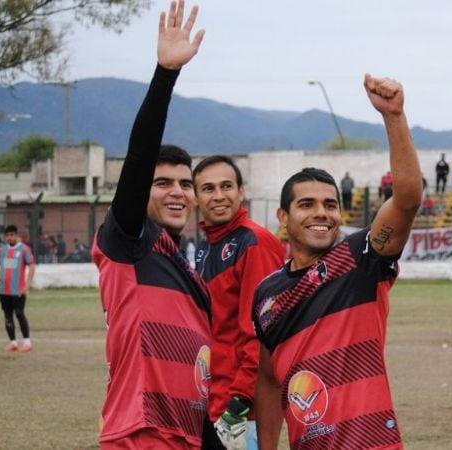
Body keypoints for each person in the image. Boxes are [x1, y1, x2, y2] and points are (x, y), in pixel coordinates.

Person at [253, 74, 422, 449]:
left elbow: (407, 199)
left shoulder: (362, 259)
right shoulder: (267, 294)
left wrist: (394, 117)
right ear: (283, 217)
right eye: (307, 204)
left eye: (330, 205)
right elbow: (267, 378)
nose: (322, 213)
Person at [91, 3, 211, 448]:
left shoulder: (191, 277)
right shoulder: (129, 244)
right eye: (162, 183)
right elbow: (139, 157)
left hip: (185, 435)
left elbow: (196, 389)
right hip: (141, 434)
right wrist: (165, 76)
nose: (177, 191)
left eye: (185, 183)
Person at [192, 155, 285, 450]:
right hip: (213, 403)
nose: (218, 196)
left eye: (226, 186)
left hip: (241, 413)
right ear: (196, 198)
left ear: (241, 191)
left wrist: (238, 407)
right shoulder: (209, 247)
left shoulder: (254, 243)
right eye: (208, 188)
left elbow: (260, 333)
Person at [0, 224, 36, 352]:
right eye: (7, 236)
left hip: (18, 290)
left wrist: (27, 285)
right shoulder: (1, 250)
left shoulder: (24, 249)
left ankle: (27, 342)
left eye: (12, 235)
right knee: (7, 316)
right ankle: (13, 342)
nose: (9, 238)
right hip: (4, 290)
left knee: (19, 313)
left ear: (16, 235)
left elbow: (32, 266)